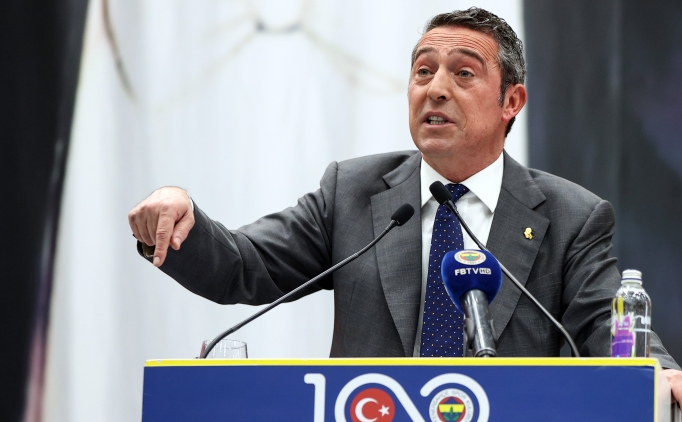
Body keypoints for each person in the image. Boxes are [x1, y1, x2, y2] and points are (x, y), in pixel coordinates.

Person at [128, 7, 682, 399]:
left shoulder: (570, 216)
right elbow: (242, 265)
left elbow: (608, 327)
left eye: (463, 73)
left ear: (511, 101)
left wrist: (660, 372)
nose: (435, 88)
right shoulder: (353, 192)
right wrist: (183, 220)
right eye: (423, 70)